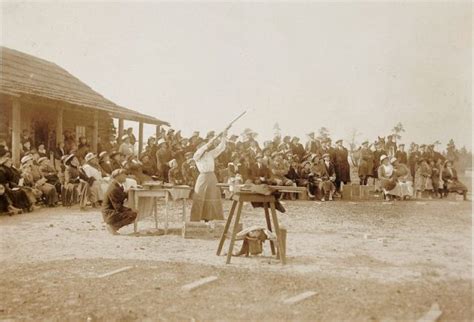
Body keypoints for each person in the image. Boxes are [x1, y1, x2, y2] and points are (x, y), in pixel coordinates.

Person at [190, 131, 227, 222]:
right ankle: (196, 219)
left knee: (213, 197)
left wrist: (223, 137)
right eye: (202, 144)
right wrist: (212, 140)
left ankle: (211, 218)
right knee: (200, 197)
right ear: (198, 146)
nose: (205, 146)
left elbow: (221, 148)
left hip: (212, 176)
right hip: (203, 177)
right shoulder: (196, 155)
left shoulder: (210, 154)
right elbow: (203, 148)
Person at [102, 169, 137, 235]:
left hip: (111, 211)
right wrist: (130, 209)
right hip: (109, 213)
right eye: (123, 175)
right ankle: (113, 226)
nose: (125, 177)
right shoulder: (114, 188)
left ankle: (113, 226)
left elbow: (120, 195)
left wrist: (127, 192)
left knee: (132, 213)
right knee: (132, 214)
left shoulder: (116, 185)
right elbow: (118, 207)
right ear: (117, 176)